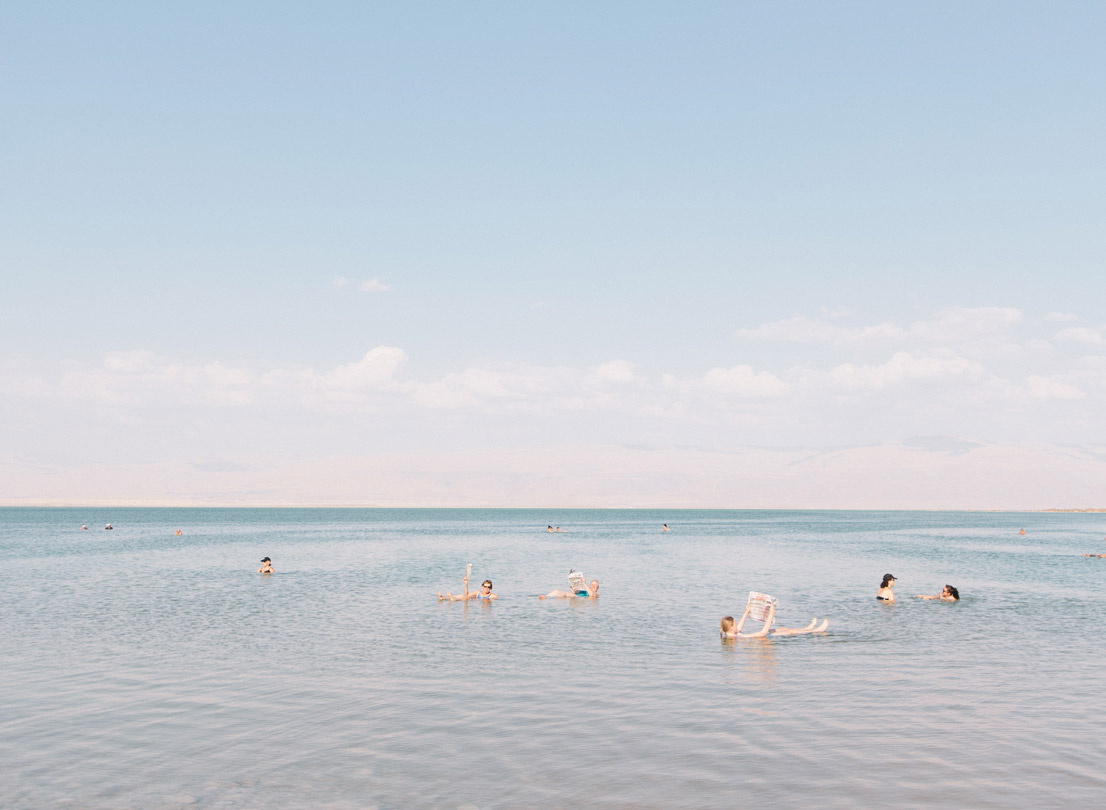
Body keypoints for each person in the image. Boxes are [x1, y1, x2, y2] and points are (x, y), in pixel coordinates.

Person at [721, 606, 828, 638]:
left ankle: (808, 628)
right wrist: (771, 615)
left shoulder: (730, 634)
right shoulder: (738, 638)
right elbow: (762, 633)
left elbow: (738, 628)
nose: (737, 625)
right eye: (735, 623)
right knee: (791, 632)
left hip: (763, 637)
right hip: (763, 638)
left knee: (783, 628)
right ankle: (817, 630)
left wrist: (746, 612)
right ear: (731, 628)